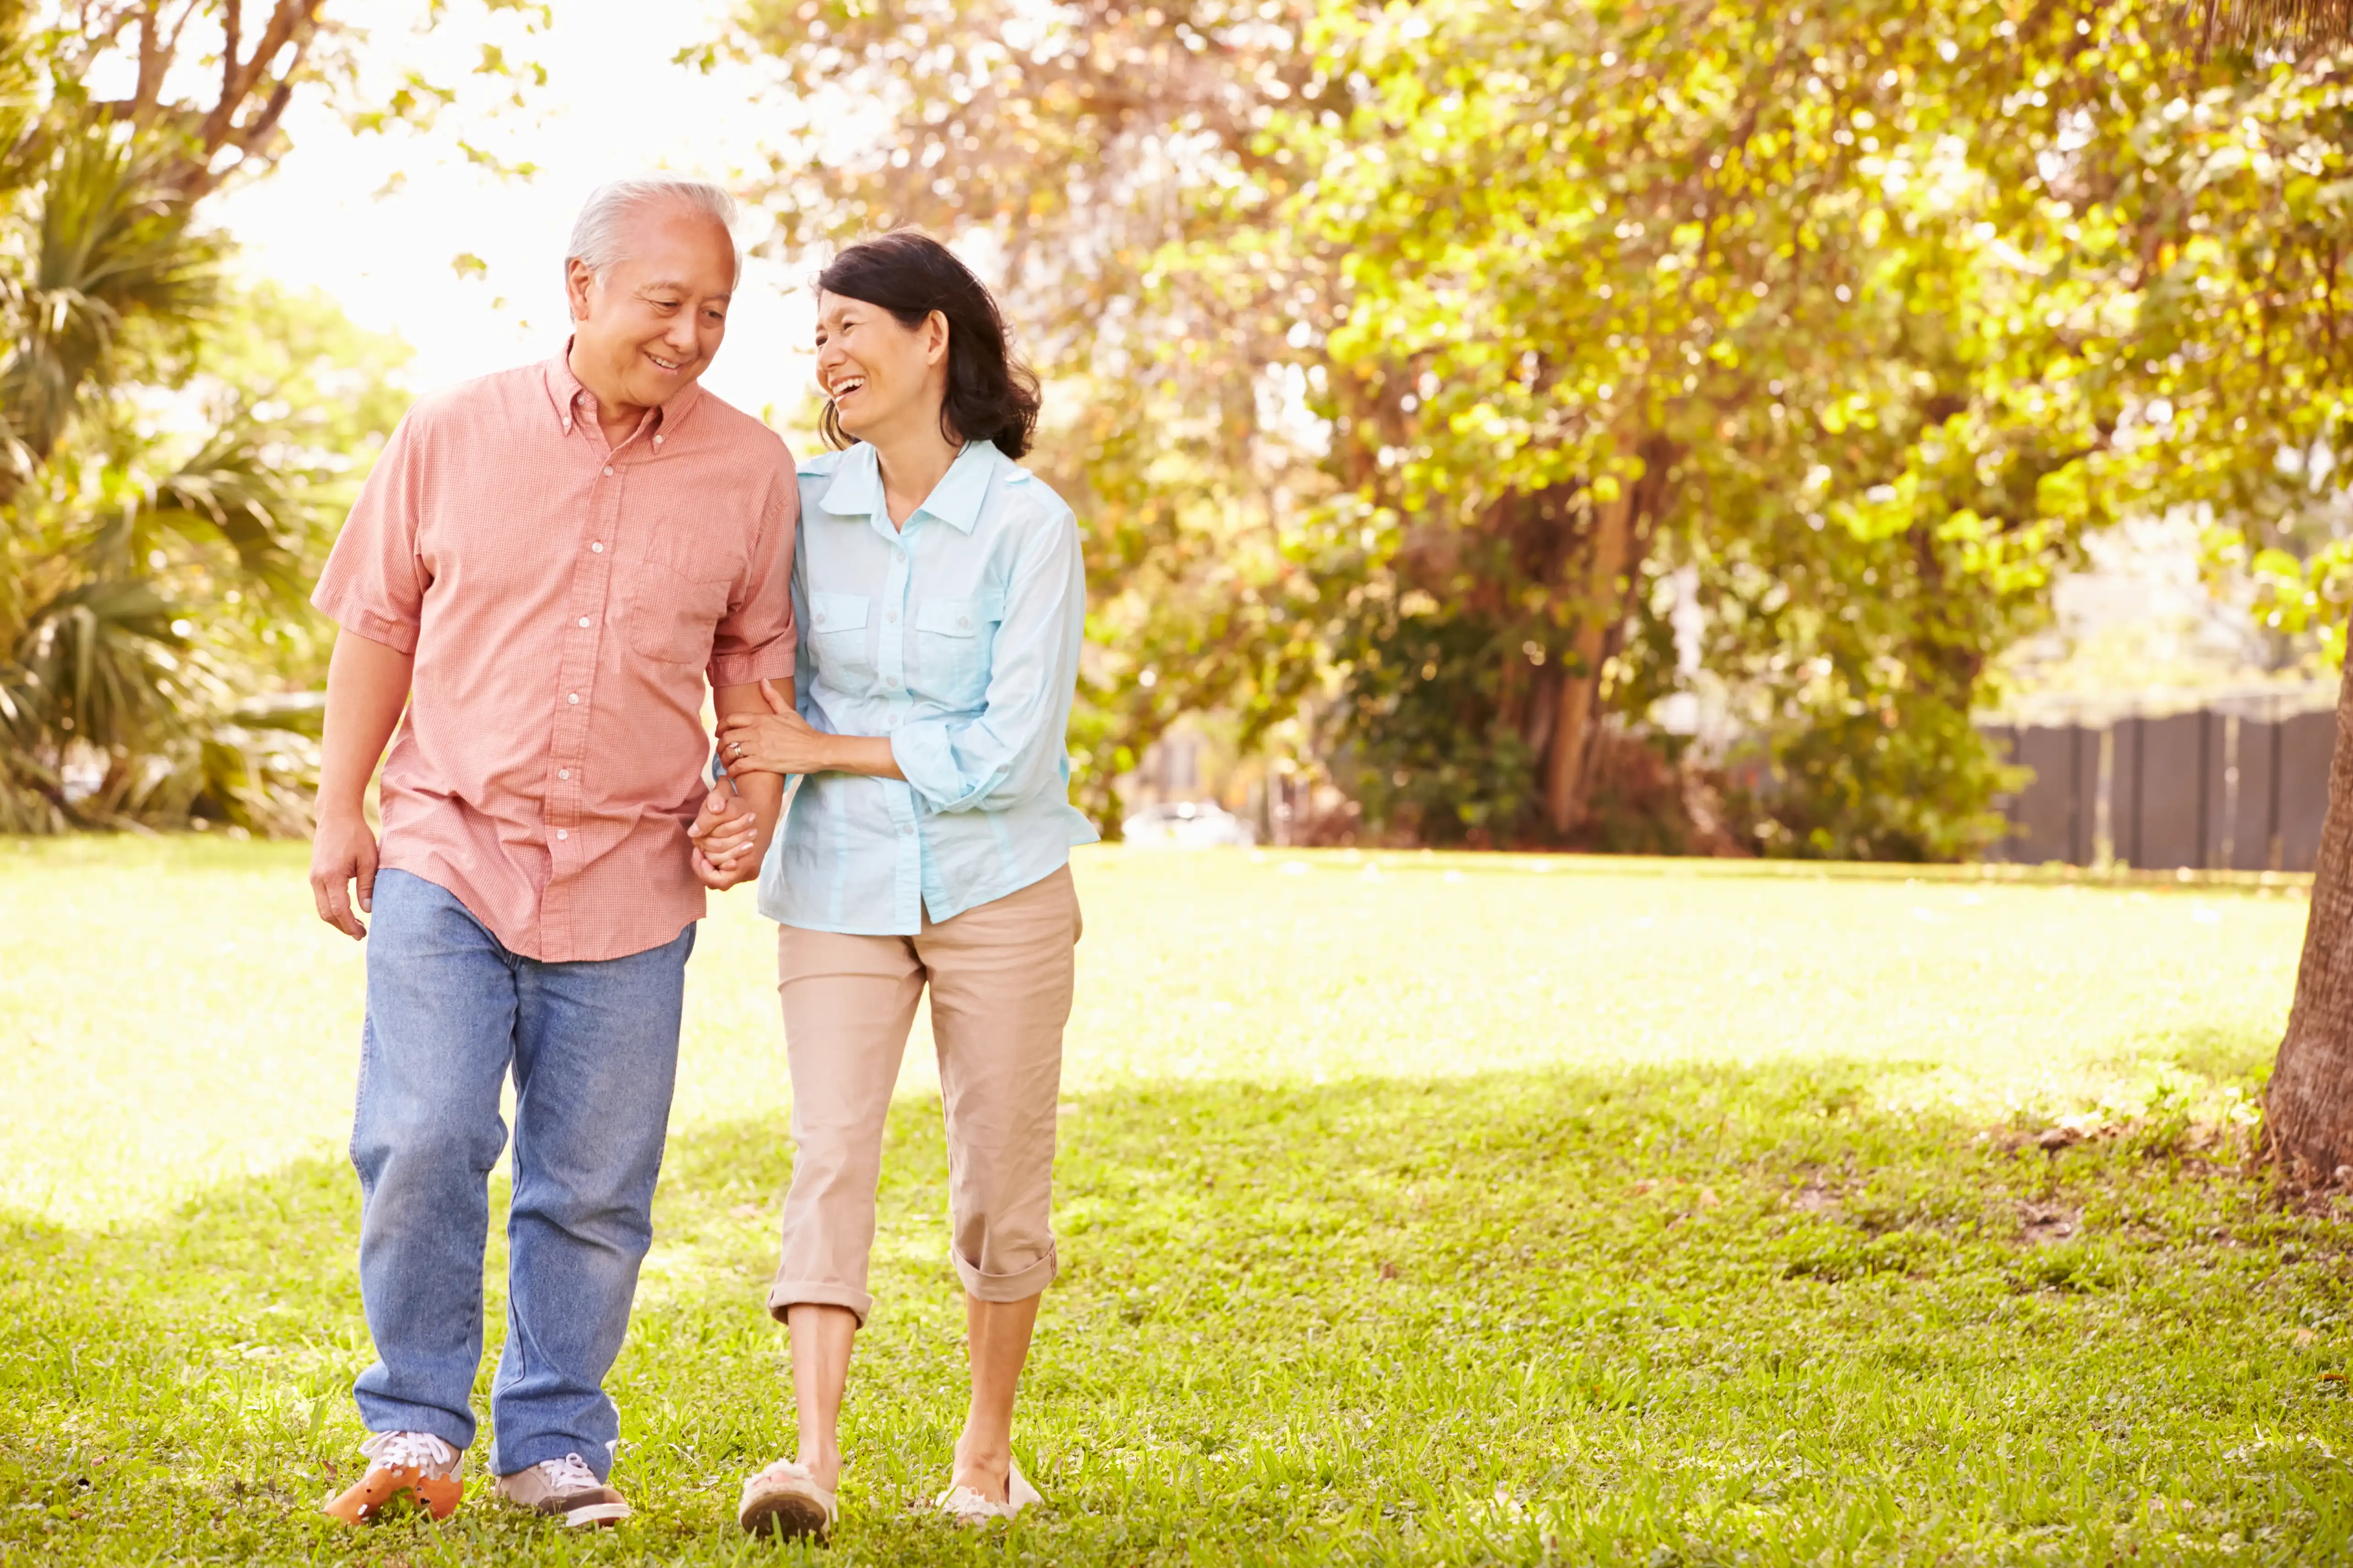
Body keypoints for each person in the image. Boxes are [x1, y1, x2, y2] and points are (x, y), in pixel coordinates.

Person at [304, 176, 797, 1529]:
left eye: (714, 311)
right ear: (580, 291)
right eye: (665, 303)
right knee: (422, 1136)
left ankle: (552, 1445)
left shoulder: (752, 470)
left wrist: (744, 796)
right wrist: (340, 808)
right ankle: (412, 1431)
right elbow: (378, 623)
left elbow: (751, 664)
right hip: (447, 848)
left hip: (635, 877)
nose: (691, 334)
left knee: (593, 1186)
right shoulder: (453, 432)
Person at [699, 232, 1093, 1541]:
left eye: (851, 325)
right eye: (815, 334)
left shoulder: (1030, 527)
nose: (826, 354)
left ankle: (986, 1456)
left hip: (1001, 885)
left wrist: (822, 749)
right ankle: (807, 1462)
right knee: (830, 1158)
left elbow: (1006, 750)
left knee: (996, 1178)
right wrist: (746, 795)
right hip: (836, 882)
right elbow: (752, 676)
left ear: (935, 337)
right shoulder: (803, 506)